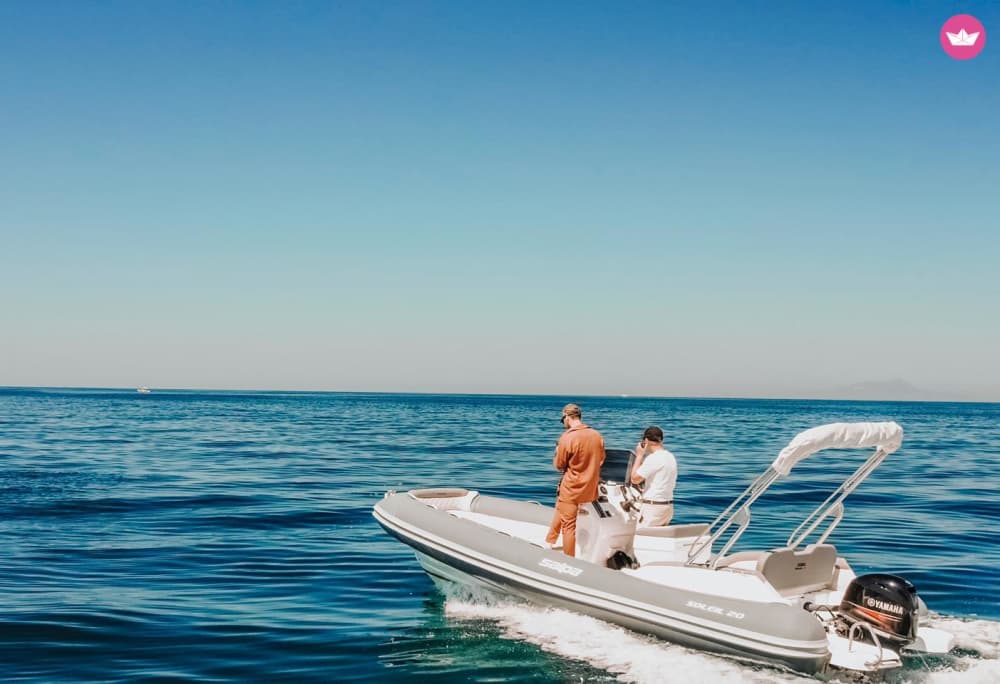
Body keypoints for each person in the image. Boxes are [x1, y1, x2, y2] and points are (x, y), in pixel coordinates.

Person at [545, 403, 605, 557]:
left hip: (572, 488)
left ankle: (569, 561)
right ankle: (549, 541)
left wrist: (557, 451)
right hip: (590, 488)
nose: (563, 423)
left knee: (568, 526)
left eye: (562, 419)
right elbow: (602, 459)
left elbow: (559, 465)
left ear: (567, 417)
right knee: (561, 506)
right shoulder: (596, 435)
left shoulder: (568, 437)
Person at [630, 426, 677, 528]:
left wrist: (639, 455)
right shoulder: (670, 456)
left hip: (653, 507)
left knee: (642, 539)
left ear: (646, 440)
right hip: (667, 507)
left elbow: (634, 479)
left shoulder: (653, 458)